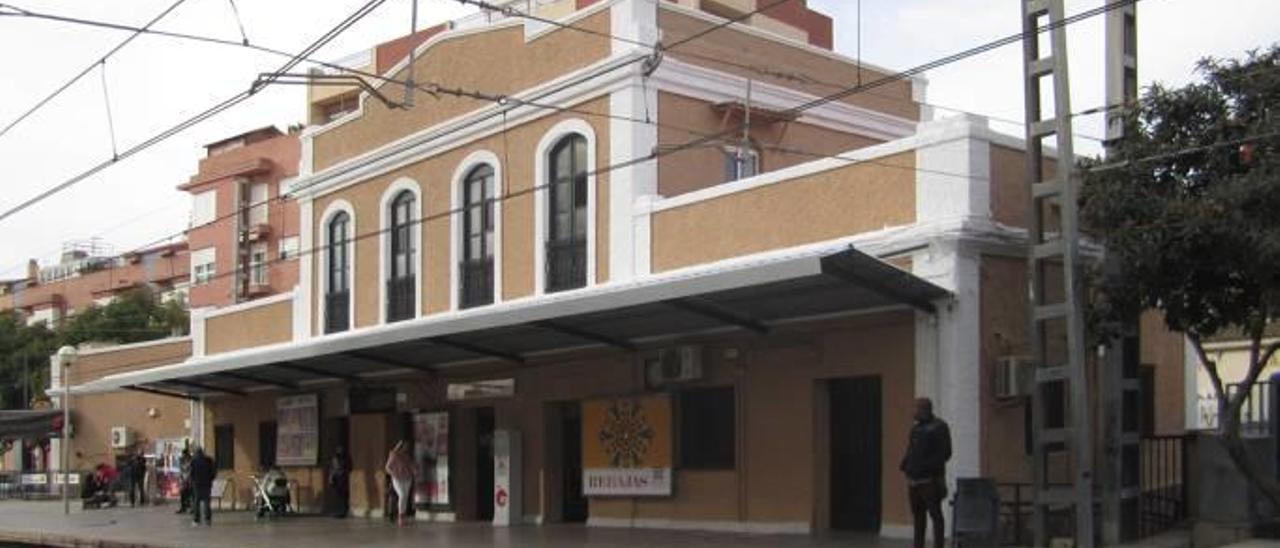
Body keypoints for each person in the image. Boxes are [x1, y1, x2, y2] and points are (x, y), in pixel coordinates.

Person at [900, 398, 952, 548]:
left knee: (935, 515)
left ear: (925, 409)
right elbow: (911, 450)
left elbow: (945, 453)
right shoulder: (916, 429)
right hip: (914, 479)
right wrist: (905, 465)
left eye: (916, 409)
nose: (914, 412)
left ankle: (939, 545)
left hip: (930, 480)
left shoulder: (939, 427)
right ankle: (918, 545)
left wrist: (926, 467)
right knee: (918, 516)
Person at [384, 440, 416, 527]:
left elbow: (411, 465)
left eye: (407, 446)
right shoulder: (394, 455)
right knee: (402, 495)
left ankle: (403, 514)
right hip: (397, 479)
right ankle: (400, 517)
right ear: (400, 446)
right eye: (404, 446)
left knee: (405, 497)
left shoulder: (407, 456)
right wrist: (394, 474)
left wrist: (414, 471)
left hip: (407, 479)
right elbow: (387, 467)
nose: (406, 448)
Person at [189, 447, 215, 527]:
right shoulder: (208, 460)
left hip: (197, 484)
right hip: (207, 484)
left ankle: (196, 520)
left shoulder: (194, 461)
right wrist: (210, 479)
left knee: (196, 502)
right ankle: (208, 519)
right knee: (207, 501)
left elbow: (191, 473)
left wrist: (192, 481)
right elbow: (213, 471)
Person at [328, 446, 352, 518]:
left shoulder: (346, 458)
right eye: (338, 450)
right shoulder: (334, 458)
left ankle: (343, 511)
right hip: (336, 479)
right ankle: (339, 511)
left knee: (343, 496)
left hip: (342, 479)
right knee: (338, 495)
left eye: (340, 450)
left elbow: (350, 467)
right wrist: (331, 477)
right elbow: (332, 469)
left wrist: (343, 472)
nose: (339, 451)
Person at [175, 448, 192, 514]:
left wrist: (186, 478)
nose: (183, 456)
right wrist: (181, 478)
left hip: (189, 480)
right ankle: (183, 507)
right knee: (183, 494)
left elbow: (190, 470)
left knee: (189, 494)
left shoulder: (191, 460)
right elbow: (181, 470)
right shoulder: (182, 460)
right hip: (184, 480)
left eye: (184, 454)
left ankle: (190, 508)